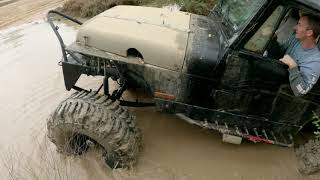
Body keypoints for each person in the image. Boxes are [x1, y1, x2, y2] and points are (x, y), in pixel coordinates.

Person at [279, 14, 320, 96]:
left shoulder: (315, 60)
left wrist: (293, 66)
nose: (295, 27)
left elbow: (301, 91)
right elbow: (278, 46)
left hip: (285, 95)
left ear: (309, 32)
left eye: (299, 25)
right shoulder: (296, 40)